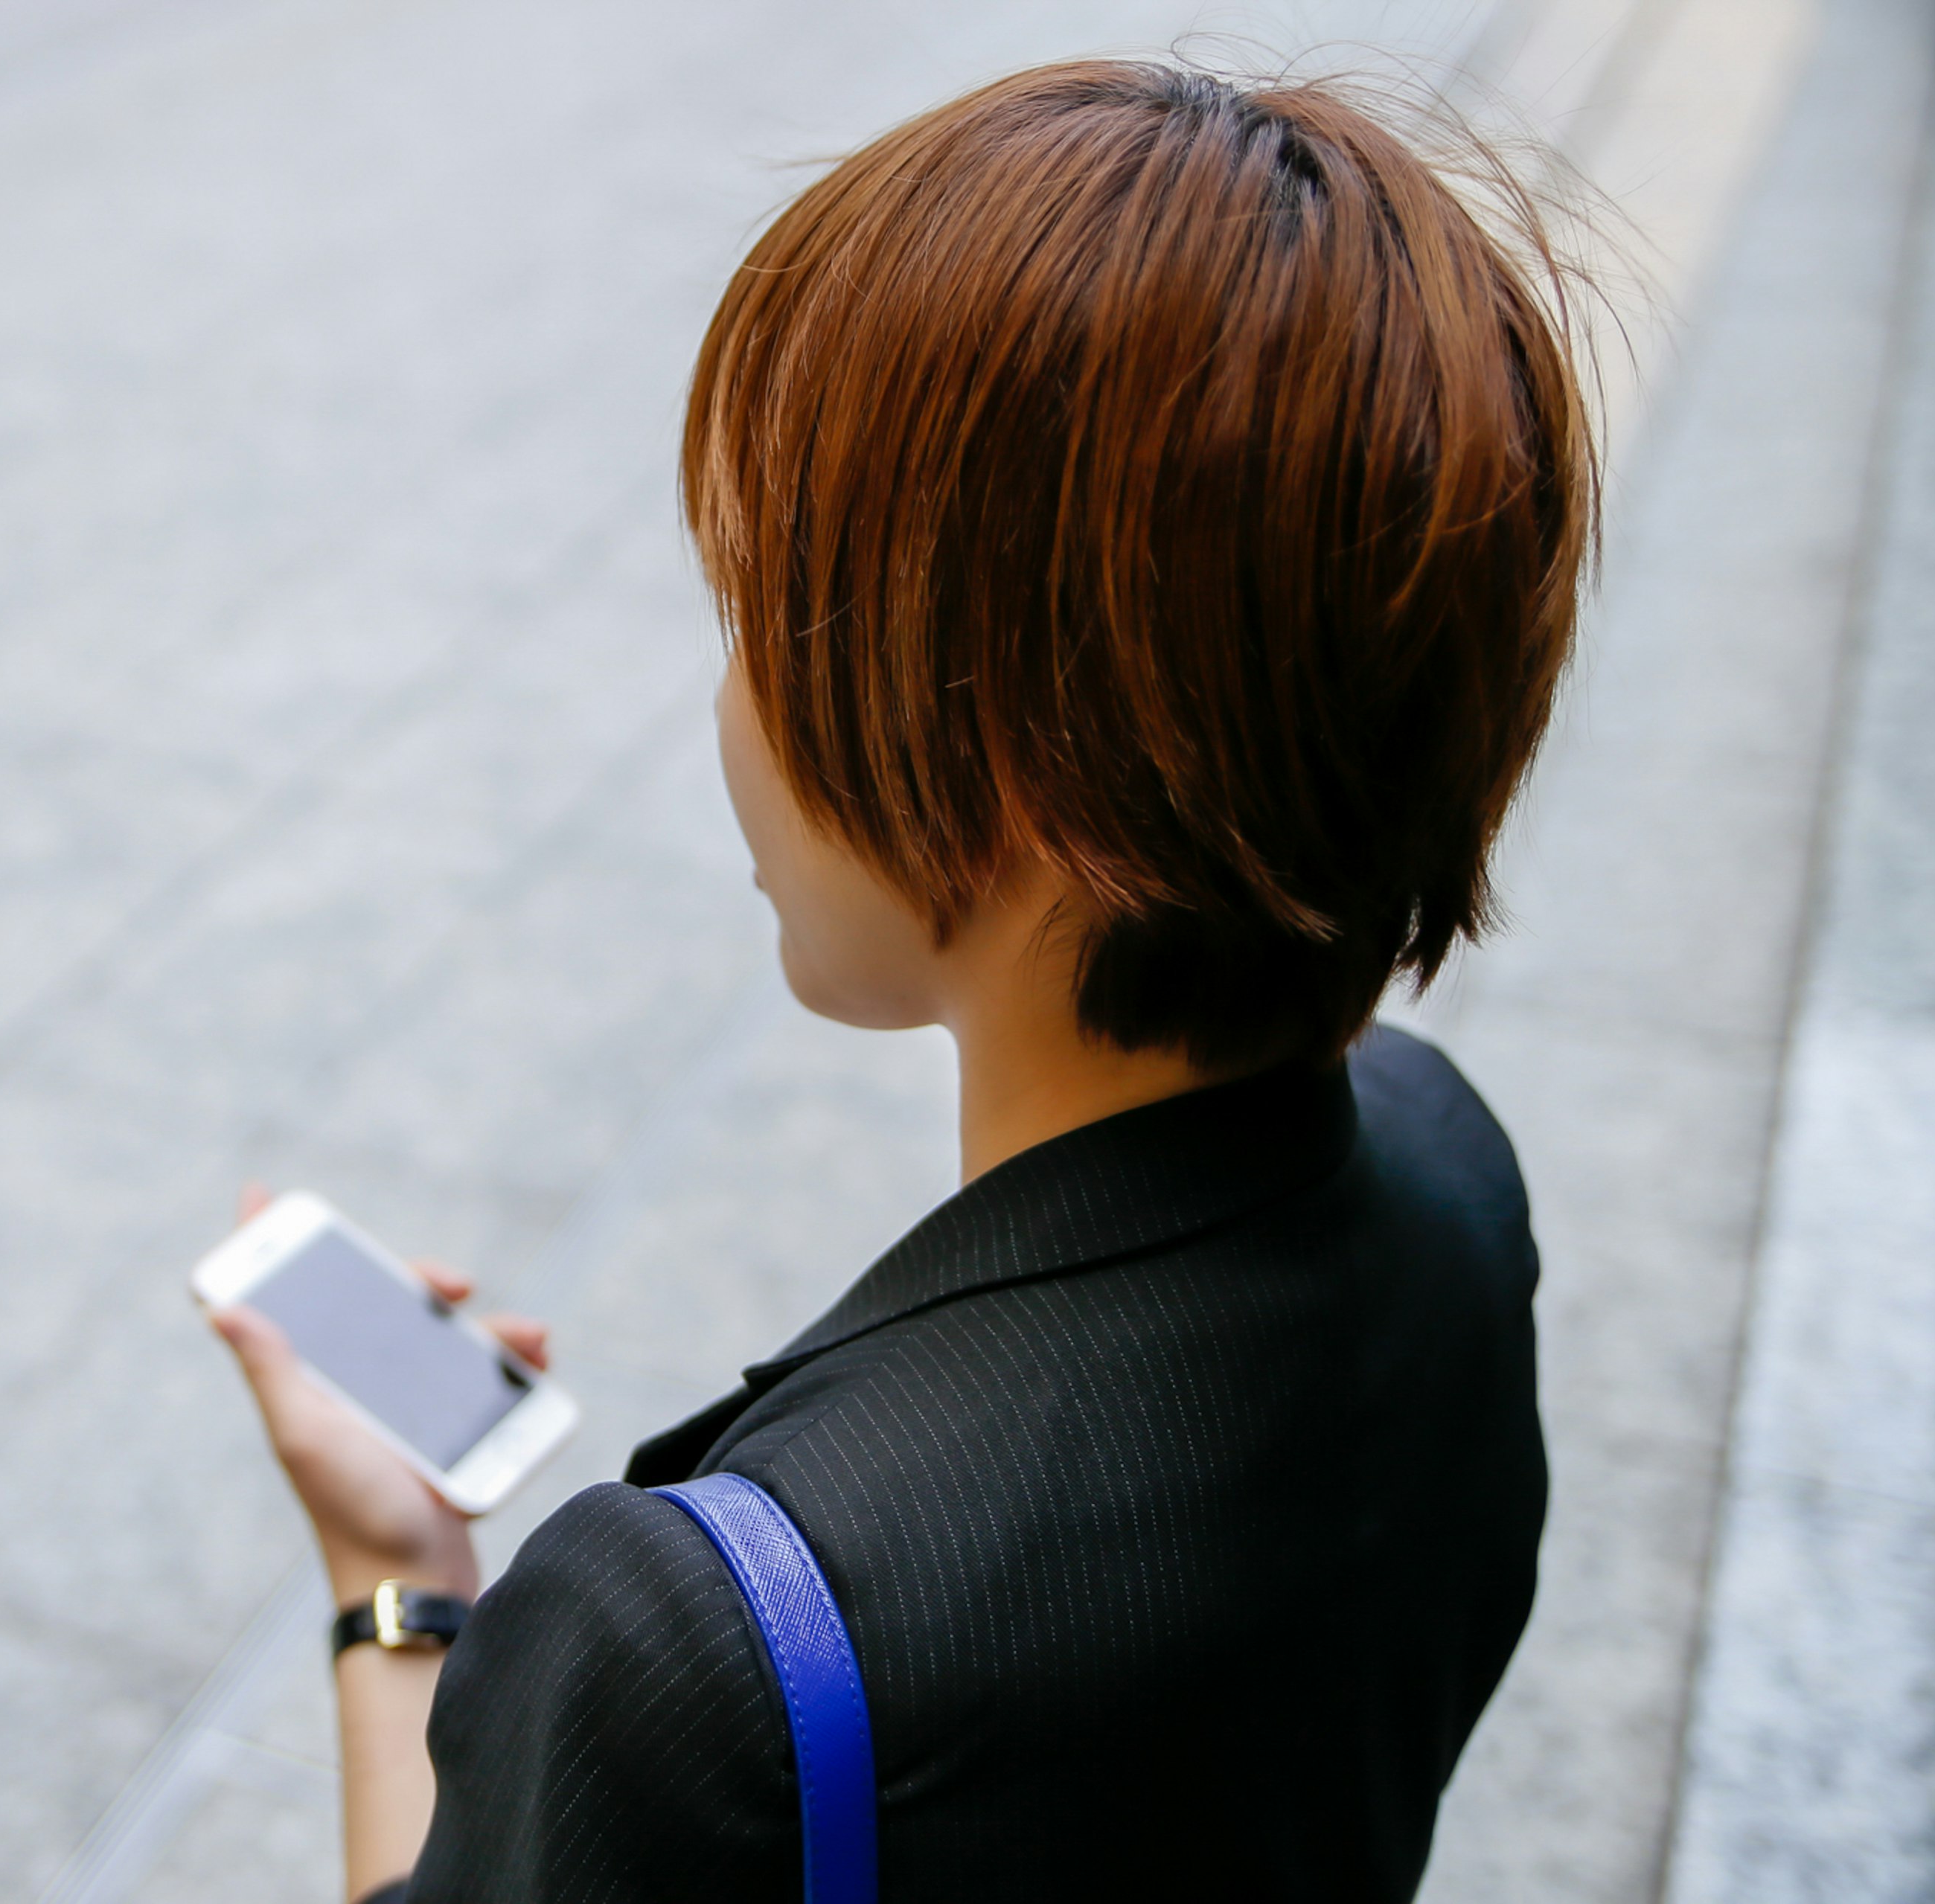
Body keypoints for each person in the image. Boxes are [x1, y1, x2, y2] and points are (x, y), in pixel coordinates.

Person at [207, 56, 1592, 1902]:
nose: (728, 704)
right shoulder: (1453, 1185)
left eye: (768, 609)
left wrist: (402, 1595)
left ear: (1043, 772)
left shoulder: (697, 1644)